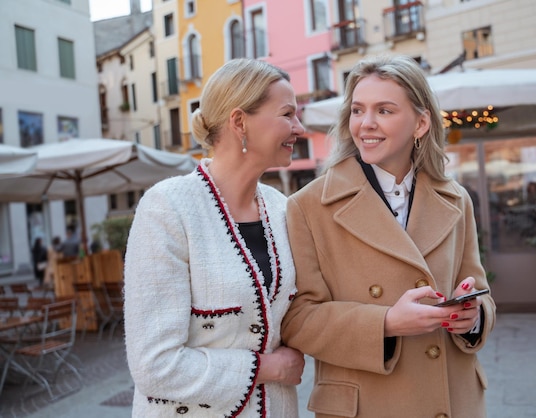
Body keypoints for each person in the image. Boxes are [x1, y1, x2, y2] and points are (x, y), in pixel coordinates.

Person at [281, 54, 496, 418]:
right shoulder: (308, 205)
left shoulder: (456, 199)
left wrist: (472, 317)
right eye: (357, 110)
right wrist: (386, 323)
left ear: (421, 123)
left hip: (453, 399)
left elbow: (478, 288)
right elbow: (297, 320)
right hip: (367, 404)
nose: (365, 124)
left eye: (384, 110)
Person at [124, 58, 306, 418]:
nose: (299, 127)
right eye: (287, 114)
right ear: (240, 122)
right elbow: (154, 366)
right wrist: (266, 369)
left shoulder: (283, 208)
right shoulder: (168, 208)